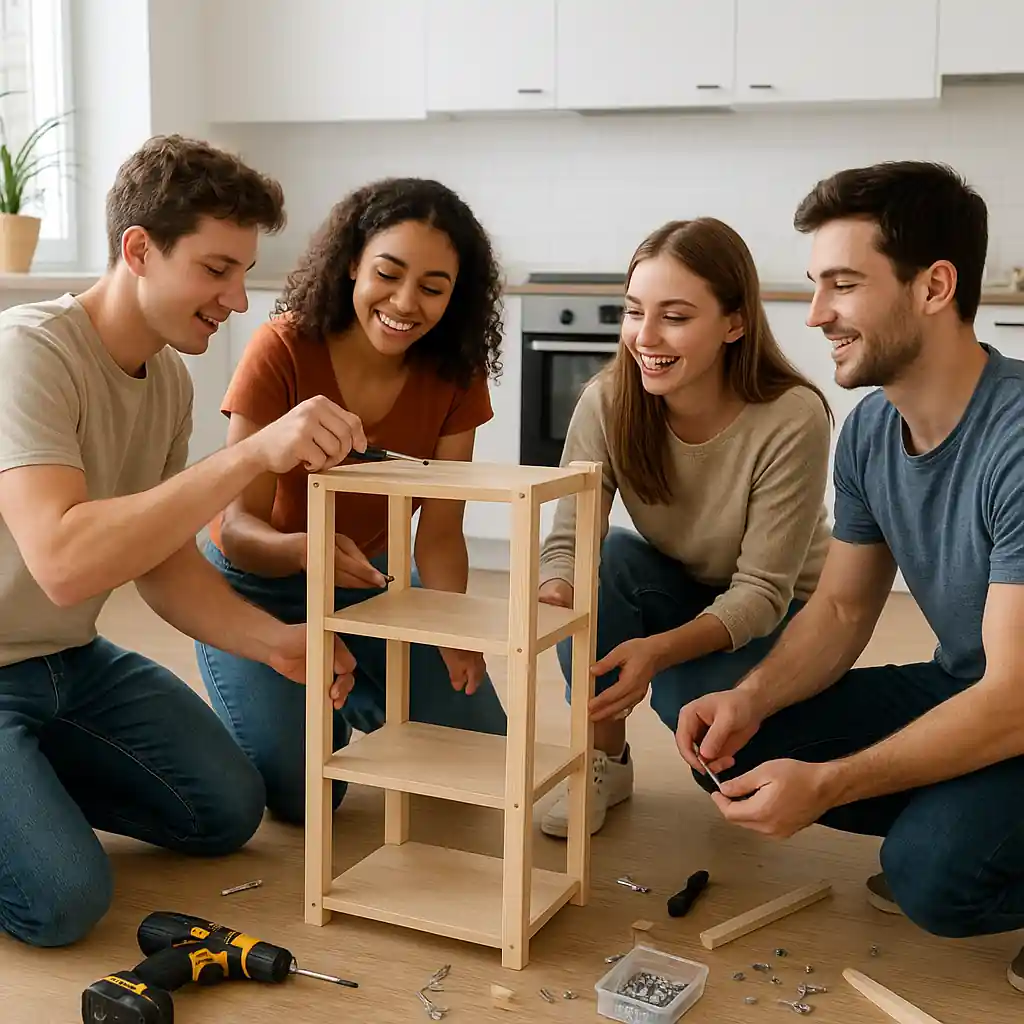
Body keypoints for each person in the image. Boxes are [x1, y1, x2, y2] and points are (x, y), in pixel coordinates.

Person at [0, 135, 364, 948]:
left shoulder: (165, 379)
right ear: (139, 250)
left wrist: (277, 642)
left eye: (241, 272)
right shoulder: (29, 351)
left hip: (69, 663)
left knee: (225, 809)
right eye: (216, 269)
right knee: (61, 903)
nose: (238, 299)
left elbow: (163, 566)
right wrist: (248, 456)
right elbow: (62, 563)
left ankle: (28, 787)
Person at [677, 161, 1024, 993]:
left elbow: (1014, 700)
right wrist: (751, 699)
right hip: (970, 690)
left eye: (843, 284)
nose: (817, 314)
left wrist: (830, 783)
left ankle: (955, 845)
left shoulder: (1015, 441)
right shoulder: (872, 429)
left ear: (935, 286)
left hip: (1013, 700)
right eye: (814, 284)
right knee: (734, 747)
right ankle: (964, 820)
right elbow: (838, 608)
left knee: (932, 879)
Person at [195, 177, 509, 825]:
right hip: (255, 591)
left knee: (478, 751)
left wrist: (448, 630)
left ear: (458, 296)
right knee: (310, 797)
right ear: (350, 265)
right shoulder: (282, 346)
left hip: (367, 585)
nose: (404, 303)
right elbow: (236, 525)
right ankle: (279, 699)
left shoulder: (455, 372)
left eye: (432, 288)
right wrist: (305, 552)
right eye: (387, 274)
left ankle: (356, 691)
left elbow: (441, 533)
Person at [536, 217, 834, 839]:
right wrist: (554, 600)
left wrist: (659, 652)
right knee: (608, 560)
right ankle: (603, 760)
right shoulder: (608, 400)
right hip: (682, 585)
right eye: (633, 311)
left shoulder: (791, 416)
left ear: (734, 322)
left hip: (783, 614)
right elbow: (569, 542)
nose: (644, 337)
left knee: (712, 745)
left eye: (674, 316)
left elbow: (762, 593)